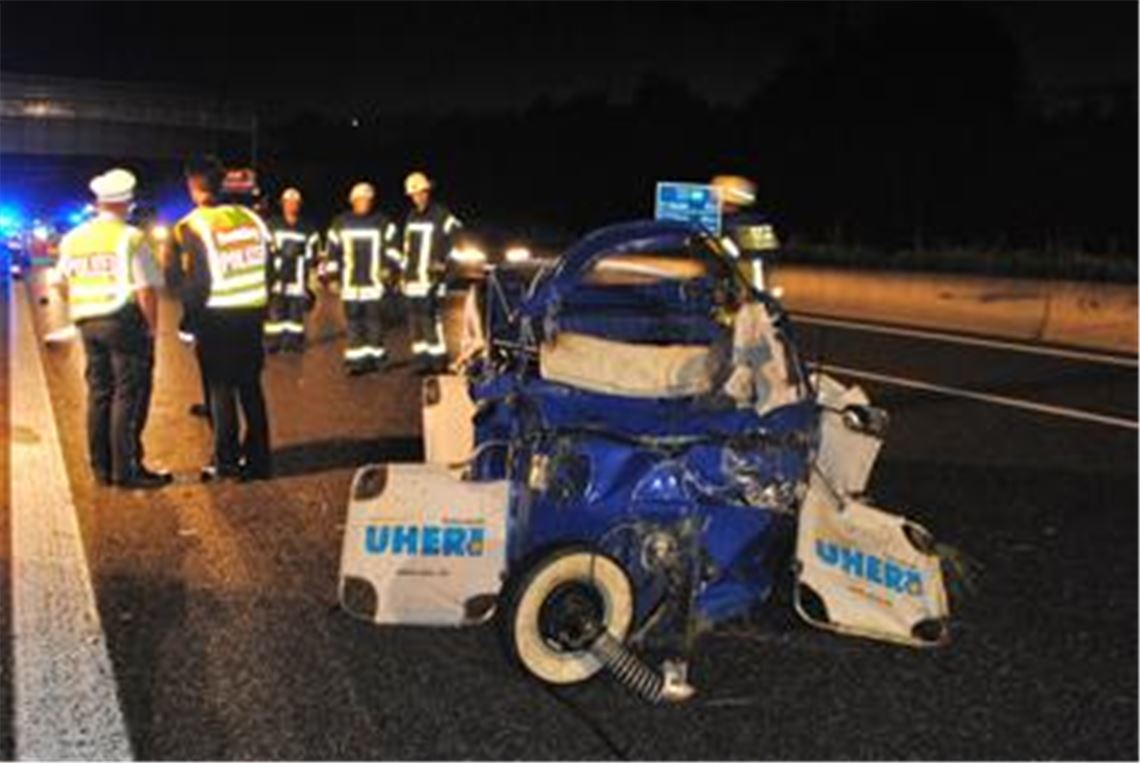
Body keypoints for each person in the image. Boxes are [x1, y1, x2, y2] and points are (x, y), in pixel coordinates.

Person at [52, 168, 171, 489]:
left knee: (99, 394)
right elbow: (146, 289)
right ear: (125, 204)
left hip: (88, 324)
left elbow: (60, 282)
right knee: (128, 396)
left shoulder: (74, 238)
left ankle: (101, 469)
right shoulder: (131, 238)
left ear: (99, 203)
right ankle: (127, 470)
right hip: (123, 321)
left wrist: (82, 306)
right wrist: (151, 330)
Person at [174, 155, 273, 481]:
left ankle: (226, 461)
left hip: (216, 318)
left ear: (193, 187)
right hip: (251, 314)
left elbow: (196, 281)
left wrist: (188, 322)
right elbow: (268, 268)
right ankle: (259, 460)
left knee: (220, 391)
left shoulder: (194, 225)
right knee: (250, 387)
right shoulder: (251, 219)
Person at [325, 182, 401, 375]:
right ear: (353, 201)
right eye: (361, 200)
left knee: (374, 322)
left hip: (374, 284)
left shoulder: (383, 223)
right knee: (353, 323)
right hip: (350, 284)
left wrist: (389, 269)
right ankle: (356, 363)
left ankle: (377, 360)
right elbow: (333, 253)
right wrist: (332, 278)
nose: (364, 203)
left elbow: (394, 250)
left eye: (368, 200)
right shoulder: (340, 223)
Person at [401, 171, 463, 374]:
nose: (418, 197)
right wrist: (403, 275)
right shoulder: (411, 217)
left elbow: (457, 238)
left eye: (421, 193)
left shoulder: (441, 214)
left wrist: (443, 263)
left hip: (431, 279)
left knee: (430, 320)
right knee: (415, 321)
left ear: (428, 192)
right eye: (414, 194)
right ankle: (421, 361)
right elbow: (408, 249)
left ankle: (438, 361)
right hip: (412, 279)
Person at [264, 187, 320, 353]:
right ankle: (273, 343)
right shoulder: (272, 225)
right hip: (276, 278)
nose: (291, 206)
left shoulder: (307, 228)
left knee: (295, 313)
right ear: (282, 205)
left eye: (294, 203)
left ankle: (293, 343)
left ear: (299, 205)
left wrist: (310, 275)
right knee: (275, 312)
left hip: (298, 278)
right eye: (288, 203)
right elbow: (265, 249)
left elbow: (313, 253)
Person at [710, 175, 781, 293]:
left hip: (751, 292)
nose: (717, 205)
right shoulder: (750, 221)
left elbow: (752, 259)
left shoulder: (744, 224)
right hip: (746, 286)